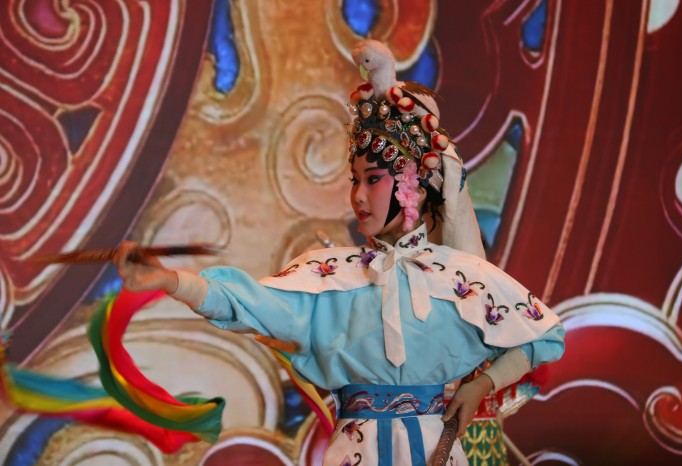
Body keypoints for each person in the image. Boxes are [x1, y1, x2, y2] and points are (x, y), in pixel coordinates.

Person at [114, 41, 564, 466]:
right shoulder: (331, 276)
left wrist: (482, 385)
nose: (358, 196)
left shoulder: (458, 278)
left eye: (373, 179)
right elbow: (245, 302)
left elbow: (543, 336)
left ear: (411, 186)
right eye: (355, 180)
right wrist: (171, 281)